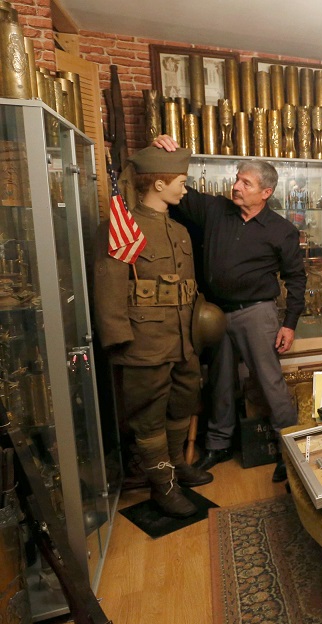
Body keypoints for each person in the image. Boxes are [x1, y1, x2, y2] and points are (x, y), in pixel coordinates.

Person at [152, 134, 305, 483]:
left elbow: (297, 279)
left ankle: (290, 450)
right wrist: (172, 155)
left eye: (245, 182)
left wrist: (290, 322)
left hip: (257, 314)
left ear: (265, 192)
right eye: (237, 178)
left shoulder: (281, 230)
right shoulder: (215, 210)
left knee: (270, 383)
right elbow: (178, 192)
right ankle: (219, 444)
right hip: (213, 314)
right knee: (218, 382)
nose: (236, 186)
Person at [93, 146, 215, 517]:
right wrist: (118, 339)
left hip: (183, 341)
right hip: (144, 342)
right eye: (180, 182)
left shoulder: (179, 230)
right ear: (159, 183)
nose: (184, 189)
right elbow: (108, 285)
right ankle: (162, 485)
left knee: (182, 404)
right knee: (147, 416)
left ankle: (177, 465)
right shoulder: (123, 228)